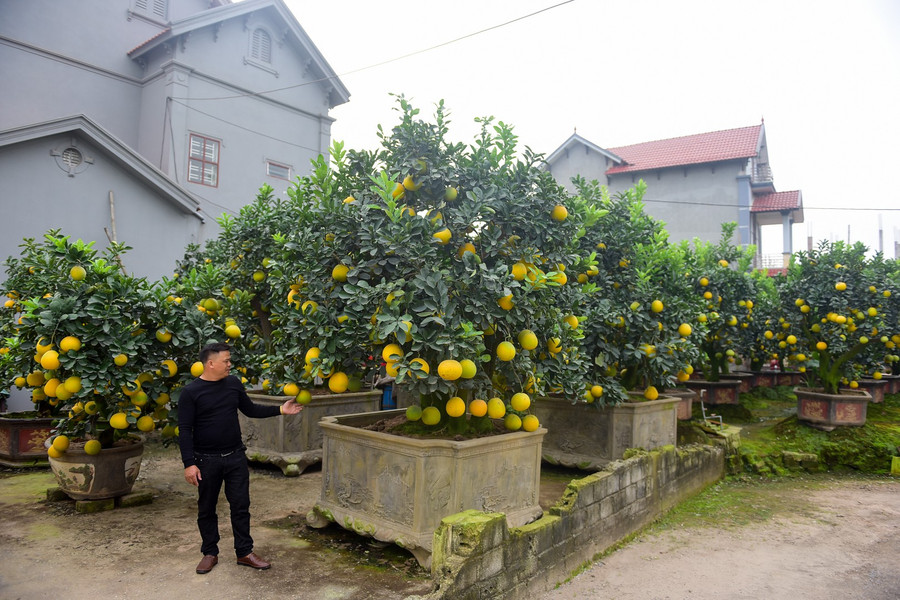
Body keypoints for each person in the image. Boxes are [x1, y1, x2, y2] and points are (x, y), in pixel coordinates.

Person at [178, 341, 302, 575]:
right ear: (210, 363)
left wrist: (280, 410)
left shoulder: (233, 384)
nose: (229, 364)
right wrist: (189, 464)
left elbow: (250, 409)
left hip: (235, 456)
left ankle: (244, 552)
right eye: (226, 361)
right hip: (206, 460)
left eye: (229, 360)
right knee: (207, 508)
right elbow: (184, 430)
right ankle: (210, 553)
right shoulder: (191, 392)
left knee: (241, 505)